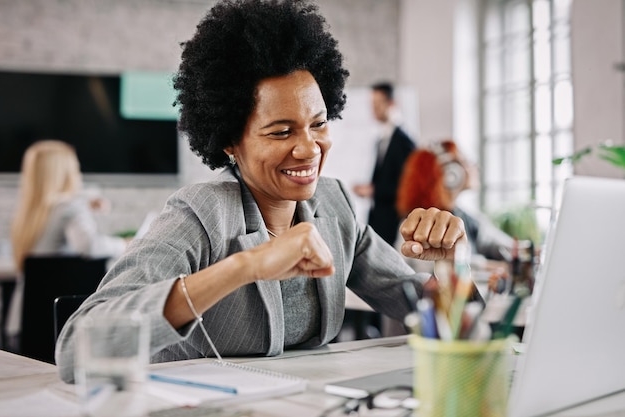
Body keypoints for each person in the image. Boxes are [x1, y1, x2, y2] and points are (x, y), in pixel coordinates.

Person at [55, 0, 477, 383]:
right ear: (229, 142)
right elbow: (77, 346)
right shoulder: (199, 214)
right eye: (281, 131)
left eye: (319, 123)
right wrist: (244, 266)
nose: (309, 147)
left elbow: (444, 321)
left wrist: (451, 267)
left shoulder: (333, 204)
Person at [6, 140, 127, 349]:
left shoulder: (28, 214)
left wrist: (88, 201)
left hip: (22, 325)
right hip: (61, 327)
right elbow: (90, 246)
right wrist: (124, 244)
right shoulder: (70, 207)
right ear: (66, 172)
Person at [396, 139, 515, 271]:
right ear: (451, 173)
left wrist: (524, 250)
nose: (474, 168)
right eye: (465, 162)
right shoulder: (420, 223)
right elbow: (432, 265)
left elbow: (493, 241)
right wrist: (495, 267)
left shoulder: (462, 215)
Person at [352, 82, 416, 245]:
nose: (374, 109)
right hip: (379, 219)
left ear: (392, 104)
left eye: (378, 104)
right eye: (372, 104)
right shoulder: (383, 137)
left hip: (393, 223)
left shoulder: (404, 142)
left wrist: (373, 190)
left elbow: (406, 186)